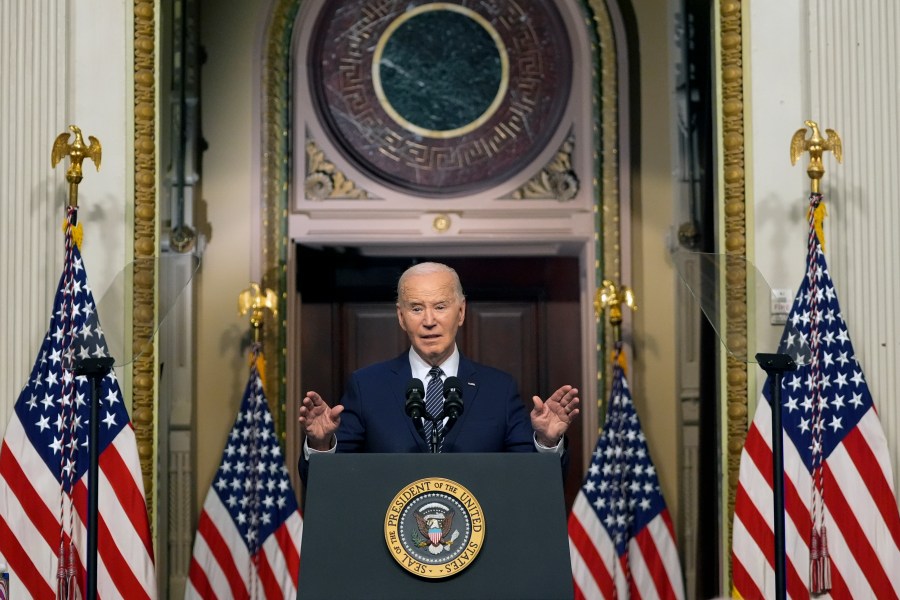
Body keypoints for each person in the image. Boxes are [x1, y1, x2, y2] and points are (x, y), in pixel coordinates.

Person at [297, 261, 580, 482]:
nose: (429, 321)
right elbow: (329, 483)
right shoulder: (367, 386)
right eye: (416, 308)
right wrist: (321, 445)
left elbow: (531, 479)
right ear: (401, 317)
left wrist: (546, 441)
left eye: (440, 306)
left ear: (461, 312)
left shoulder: (499, 389)